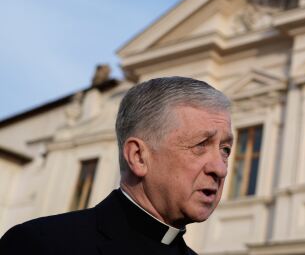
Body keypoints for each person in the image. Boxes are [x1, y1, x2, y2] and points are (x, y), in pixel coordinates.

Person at [0, 76, 233, 254]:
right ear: (139, 157)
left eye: (225, 150)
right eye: (200, 145)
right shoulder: (40, 245)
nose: (220, 169)